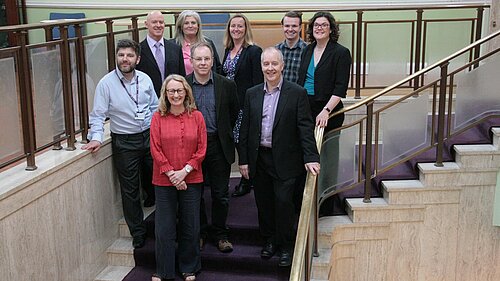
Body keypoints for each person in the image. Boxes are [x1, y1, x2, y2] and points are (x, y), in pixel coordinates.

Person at [238, 47, 320, 267]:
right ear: (261, 66)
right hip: (259, 159)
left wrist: (311, 156)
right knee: (263, 203)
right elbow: (245, 129)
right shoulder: (252, 93)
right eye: (266, 64)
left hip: (285, 159)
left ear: (282, 66)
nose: (270, 68)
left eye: (274, 64)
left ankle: (286, 246)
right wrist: (243, 160)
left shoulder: (297, 93)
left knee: (284, 203)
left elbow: (305, 127)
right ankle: (270, 241)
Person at [82, 39, 158, 249]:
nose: (125, 59)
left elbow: (154, 107)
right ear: (116, 57)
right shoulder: (106, 83)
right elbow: (97, 115)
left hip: (148, 136)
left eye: (129, 55)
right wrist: (96, 137)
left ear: (138, 59)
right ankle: (138, 232)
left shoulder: (145, 79)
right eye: (121, 55)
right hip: (124, 142)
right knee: (130, 190)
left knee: (157, 180)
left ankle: (163, 225)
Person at [150, 74, 207, 281]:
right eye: (171, 91)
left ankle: (189, 267)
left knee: (190, 226)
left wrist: (184, 172)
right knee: (164, 228)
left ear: (186, 93)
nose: (175, 94)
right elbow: (155, 149)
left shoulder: (197, 117)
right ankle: (164, 270)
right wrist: (172, 174)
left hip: (192, 178)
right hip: (163, 180)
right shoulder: (157, 117)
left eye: (179, 90)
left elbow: (202, 149)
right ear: (165, 94)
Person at [186, 42, 239, 253]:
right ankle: (199, 232)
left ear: (212, 61)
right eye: (198, 59)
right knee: (195, 194)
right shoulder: (183, 85)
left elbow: (234, 113)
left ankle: (220, 234)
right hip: (191, 147)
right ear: (191, 61)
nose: (202, 63)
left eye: (206, 59)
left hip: (218, 144)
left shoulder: (226, 85)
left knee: (220, 194)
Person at [221, 13, 264, 197]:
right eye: (233, 26)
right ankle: (248, 178)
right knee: (235, 141)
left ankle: (247, 180)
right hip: (230, 104)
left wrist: (253, 105)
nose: (236, 29)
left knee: (243, 142)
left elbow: (257, 82)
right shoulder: (228, 50)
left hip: (245, 105)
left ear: (246, 29)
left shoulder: (253, 51)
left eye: (240, 26)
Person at [297, 11, 351, 132]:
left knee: (328, 150)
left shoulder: (341, 53)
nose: (319, 28)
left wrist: (326, 111)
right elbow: (301, 79)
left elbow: (340, 87)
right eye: (316, 25)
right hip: (306, 106)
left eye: (324, 25)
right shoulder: (307, 50)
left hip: (328, 109)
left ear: (331, 29)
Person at [137, 10, 186, 97]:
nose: (158, 25)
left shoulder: (175, 48)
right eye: (154, 22)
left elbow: (182, 77)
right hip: (148, 100)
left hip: (173, 100)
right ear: (146, 24)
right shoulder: (138, 50)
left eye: (161, 22)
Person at [172, 10, 222, 75]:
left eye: (193, 23)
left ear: (198, 26)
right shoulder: (173, 45)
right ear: (181, 26)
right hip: (181, 84)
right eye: (186, 23)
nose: (190, 26)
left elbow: (217, 67)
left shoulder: (208, 43)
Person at [275, 11, 307, 84]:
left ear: (300, 28)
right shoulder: (276, 50)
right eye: (287, 26)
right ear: (282, 27)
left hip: (300, 94)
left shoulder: (308, 50)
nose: (290, 29)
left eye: (294, 26)